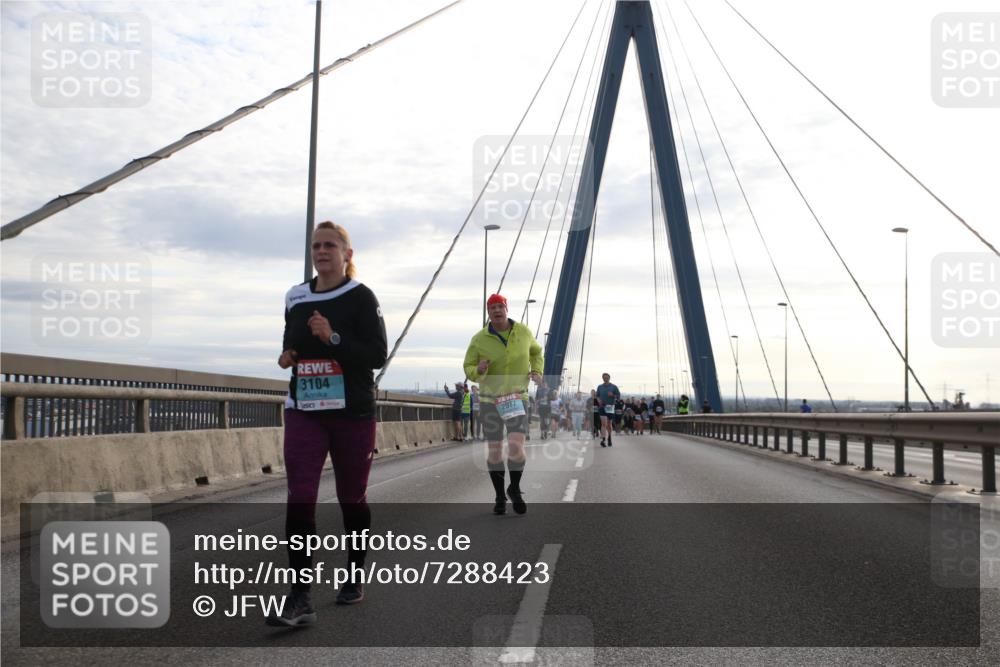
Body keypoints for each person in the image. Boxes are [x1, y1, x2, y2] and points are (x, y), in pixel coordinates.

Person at [269, 221, 387, 627]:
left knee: (351, 497)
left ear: (347, 254)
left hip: (351, 411)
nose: (321, 251)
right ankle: (300, 597)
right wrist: (288, 356)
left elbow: (376, 354)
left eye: (330, 245)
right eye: (316, 245)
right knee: (300, 496)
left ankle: (354, 575)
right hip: (304, 408)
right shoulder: (296, 296)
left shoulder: (361, 297)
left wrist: (333, 338)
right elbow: (291, 342)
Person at [464, 294, 543, 515]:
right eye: (492, 308)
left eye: (500, 307)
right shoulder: (479, 339)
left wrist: (536, 370)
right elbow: (468, 368)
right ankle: (499, 495)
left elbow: (537, 352)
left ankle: (514, 489)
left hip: (517, 398)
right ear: (488, 313)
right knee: (495, 450)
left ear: (507, 309)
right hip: (490, 401)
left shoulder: (524, 332)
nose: (497, 311)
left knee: (517, 446)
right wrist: (477, 370)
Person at [595, 373, 620, 447]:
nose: (605, 379)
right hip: (602, 407)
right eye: (604, 378)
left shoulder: (614, 387)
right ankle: (603, 439)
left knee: (609, 424)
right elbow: (597, 396)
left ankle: (609, 437)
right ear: (602, 378)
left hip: (610, 407)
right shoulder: (600, 387)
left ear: (609, 378)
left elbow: (618, 396)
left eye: (607, 378)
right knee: (604, 424)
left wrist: (613, 395)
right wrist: (599, 400)